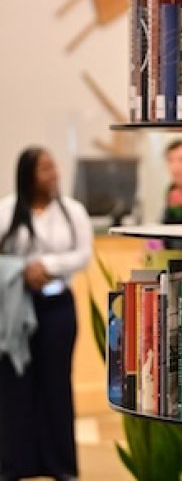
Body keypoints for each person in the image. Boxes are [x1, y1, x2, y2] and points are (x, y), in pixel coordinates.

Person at [0, 147, 93, 481]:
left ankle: (61, 466)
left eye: (54, 168)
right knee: (16, 386)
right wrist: (22, 269)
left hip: (57, 307)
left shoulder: (73, 211)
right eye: (44, 169)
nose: (52, 174)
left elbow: (83, 255)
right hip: (16, 308)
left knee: (56, 385)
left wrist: (46, 266)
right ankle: (14, 465)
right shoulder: (8, 209)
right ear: (27, 174)